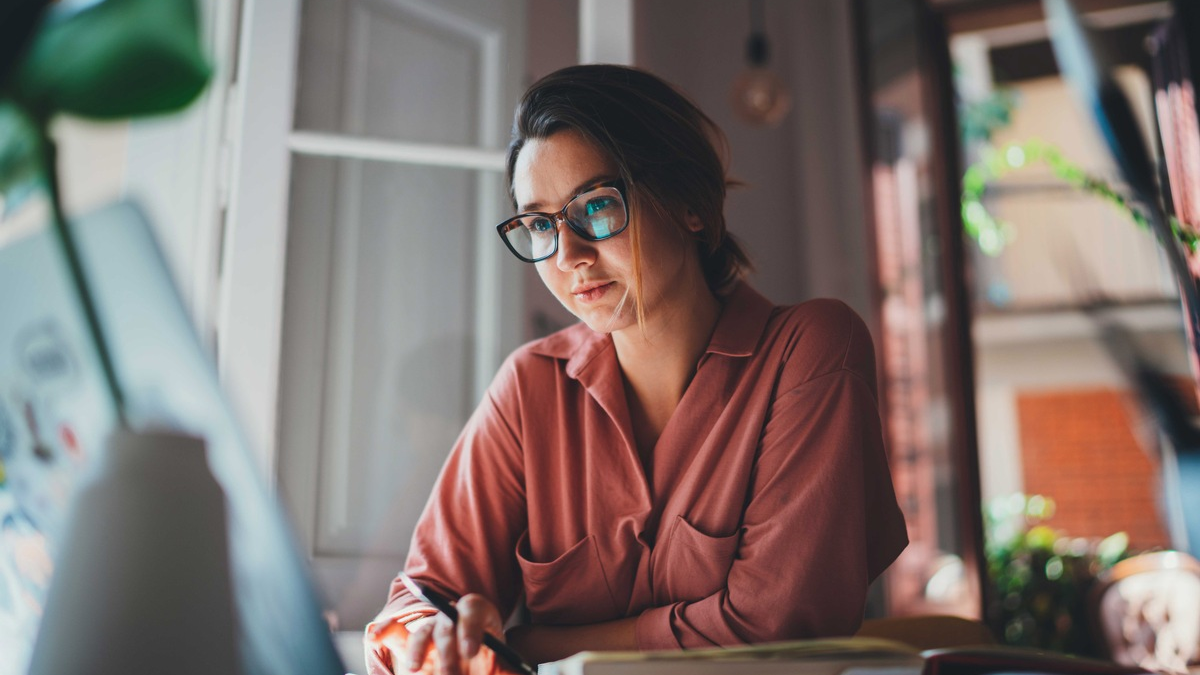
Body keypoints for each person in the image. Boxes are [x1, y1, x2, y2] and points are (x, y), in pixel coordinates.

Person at [365, 64, 908, 675]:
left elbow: (774, 625)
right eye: (541, 224)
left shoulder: (809, 351)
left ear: (688, 204)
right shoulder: (529, 388)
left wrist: (530, 644)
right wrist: (434, 637)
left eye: (596, 206)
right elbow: (417, 600)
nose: (567, 255)